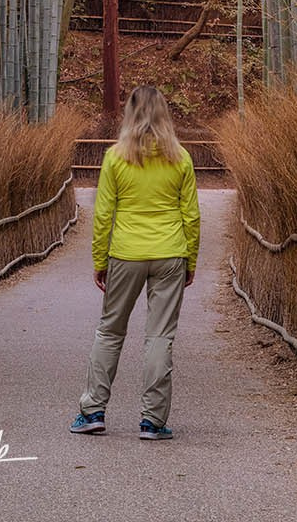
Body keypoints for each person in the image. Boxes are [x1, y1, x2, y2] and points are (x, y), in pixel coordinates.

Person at [69, 83, 200, 441]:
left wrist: (100, 260)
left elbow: (103, 215)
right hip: (170, 253)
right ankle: (152, 421)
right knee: (160, 336)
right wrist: (189, 260)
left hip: (125, 253)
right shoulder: (180, 158)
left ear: (129, 114)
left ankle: (93, 411)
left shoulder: (115, 157)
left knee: (110, 331)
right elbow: (191, 216)